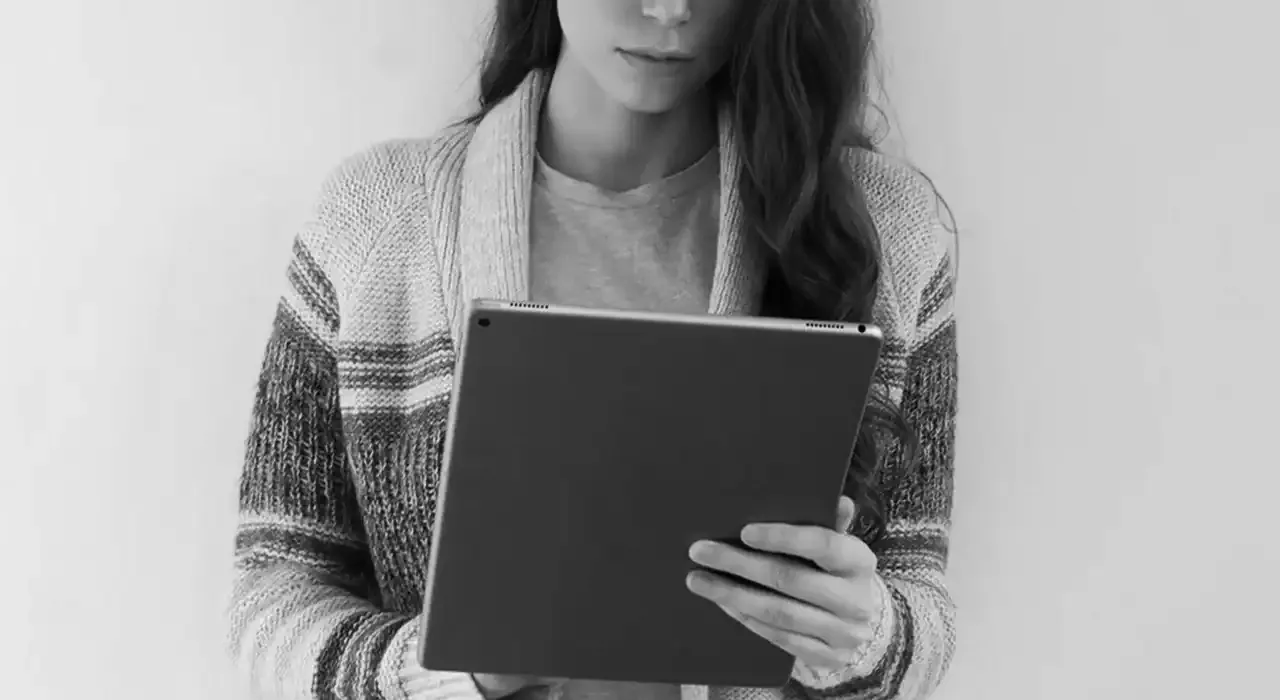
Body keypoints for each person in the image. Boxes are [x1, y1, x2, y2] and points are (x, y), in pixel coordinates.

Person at [226, 0, 959, 699]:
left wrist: (866, 636)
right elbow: (269, 595)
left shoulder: (885, 229)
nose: (671, 12)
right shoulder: (378, 220)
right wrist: (447, 673)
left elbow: (922, 600)